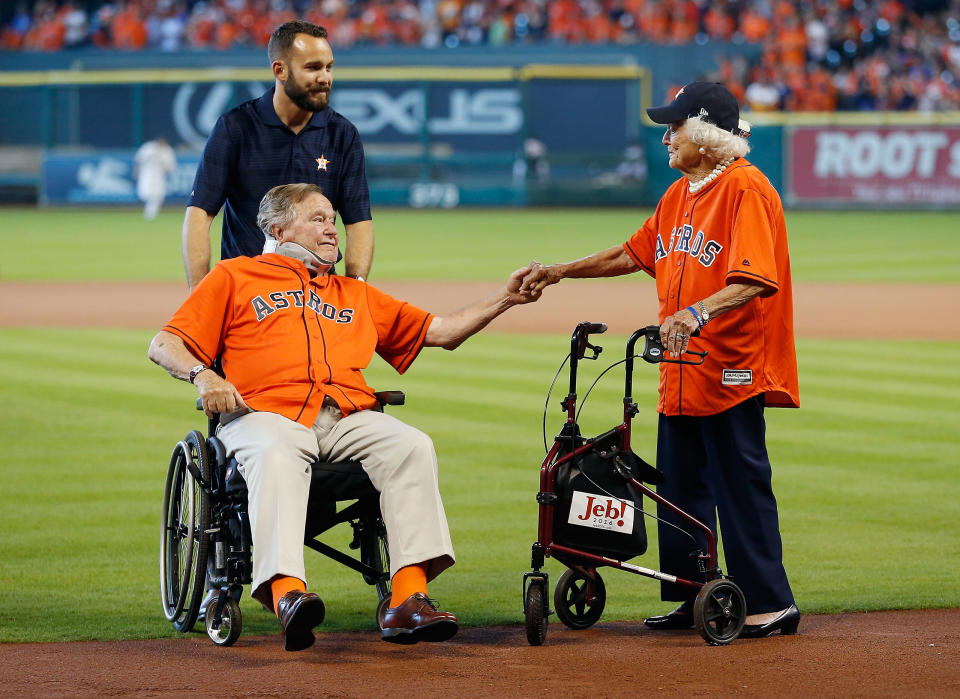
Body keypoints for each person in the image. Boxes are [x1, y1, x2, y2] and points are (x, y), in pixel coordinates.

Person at [149, 183, 540, 651]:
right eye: (317, 219)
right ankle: (286, 594)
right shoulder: (235, 277)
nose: (331, 229)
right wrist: (203, 377)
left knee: (410, 445)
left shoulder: (353, 292)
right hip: (261, 414)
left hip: (344, 416)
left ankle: (408, 598)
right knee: (278, 448)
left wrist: (506, 297)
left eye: (332, 219)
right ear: (277, 227)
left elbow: (443, 331)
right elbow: (164, 344)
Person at [520, 82, 801, 639]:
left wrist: (696, 314)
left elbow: (755, 278)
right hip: (681, 368)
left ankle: (771, 602)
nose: (665, 136)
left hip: (731, 365)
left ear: (705, 134)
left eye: (673, 127)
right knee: (679, 487)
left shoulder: (746, 188)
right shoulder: (679, 194)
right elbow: (631, 253)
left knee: (740, 483)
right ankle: (692, 594)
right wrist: (559, 270)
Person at [182, 20, 374, 291]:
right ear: (280, 70)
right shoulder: (235, 127)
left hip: (317, 293)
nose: (325, 77)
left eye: (329, 67)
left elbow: (358, 222)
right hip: (247, 291)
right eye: (313, 67)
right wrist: (199, 291)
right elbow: (200, 213)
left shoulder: (342, 133)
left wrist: (356, 287)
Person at [133, 137, 177, 221]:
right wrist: (136, 171)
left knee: (158, 196)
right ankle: (150, 213)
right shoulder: (148, 147)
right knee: (145, 194)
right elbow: (138, 160)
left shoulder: (168, 151)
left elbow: (171, 167)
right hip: (146, 174)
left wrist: (162, 161)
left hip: (159, 176)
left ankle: (150, 215)